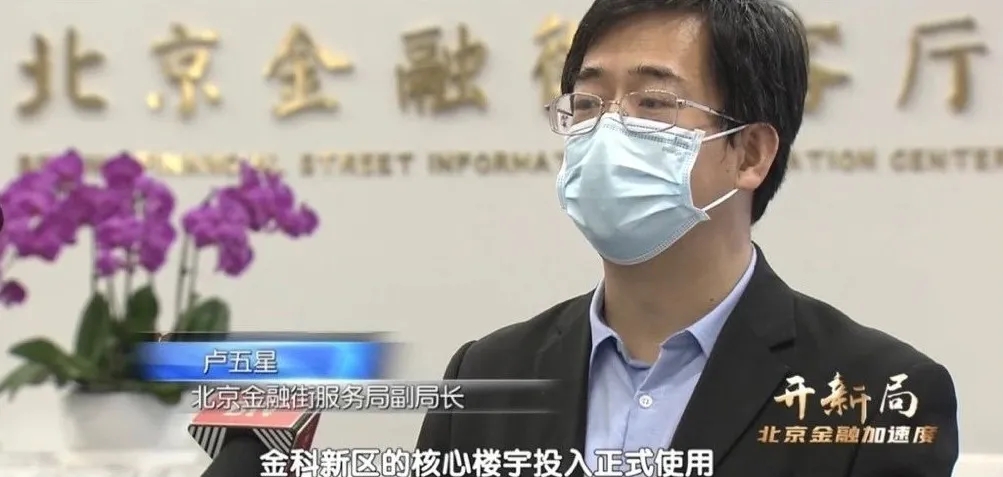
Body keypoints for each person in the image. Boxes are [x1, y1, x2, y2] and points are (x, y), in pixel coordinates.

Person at [416, 0, 959, 475]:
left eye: (653, 103)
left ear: (750, 154)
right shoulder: (485, 377)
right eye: (586, 103)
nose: (607, 131)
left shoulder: (880, 394)